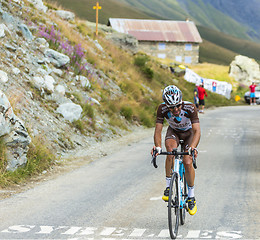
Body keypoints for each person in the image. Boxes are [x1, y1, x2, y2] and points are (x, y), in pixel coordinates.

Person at [151, 85, 201, 215]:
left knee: (187, 161)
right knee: (170, 151)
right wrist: (157, 147)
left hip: (189, 134)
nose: (176, 109)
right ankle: (168, 187)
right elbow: (158, 130)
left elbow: (197, 131)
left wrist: (193, 148)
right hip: (174, 132)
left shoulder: (190, 108)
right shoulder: (161, 109)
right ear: (166, 105)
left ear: (181, 102)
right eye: (172, 107)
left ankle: (191, 196)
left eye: (178, 106)